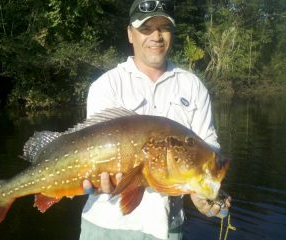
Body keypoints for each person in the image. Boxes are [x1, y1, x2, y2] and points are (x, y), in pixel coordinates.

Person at [80, 0, 231, 239]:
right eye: (146, 29)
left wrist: (202, 194)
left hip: (167, 229)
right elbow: (92, 150)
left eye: (164, 27)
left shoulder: (192, 87)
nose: (156, 36)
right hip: (106, 225)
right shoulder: (106, 85)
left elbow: (209, 150)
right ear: (130, 34)